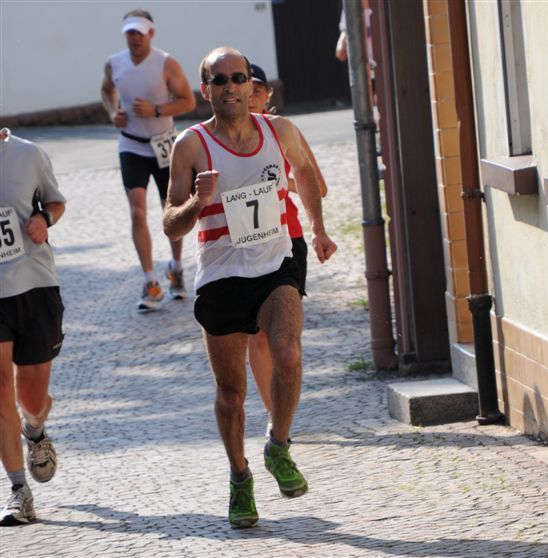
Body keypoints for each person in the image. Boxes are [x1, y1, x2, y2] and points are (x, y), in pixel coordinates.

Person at [163, 47, 337, 528]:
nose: (231, 87)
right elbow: (170, 225)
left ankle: (278, 446)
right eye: (219, 81)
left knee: (287, 353)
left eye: (238, 77)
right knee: (231, 392)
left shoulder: (279, 132)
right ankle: (239, 475)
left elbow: (306, 174)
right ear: (206, 91)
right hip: (220, 277)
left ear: (250, 85)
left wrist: (317, 230)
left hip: (274, 265)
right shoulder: (191, 146)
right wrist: (197, 203)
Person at [247, 64, 328, 435]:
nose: (250, 95)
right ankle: (274, 416)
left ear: (267, 95)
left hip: (287, 237)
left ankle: (281, 409)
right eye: (244, 86)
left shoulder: (284, 131)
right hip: (244, 242)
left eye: (257, 89)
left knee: (284, 335)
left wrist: (318, 231)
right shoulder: (217, 137)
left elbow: (318, 185)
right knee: (257, 334)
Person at [101, 9, 196, 311]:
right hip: (131, 145)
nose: (134, 38)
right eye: (129, 32)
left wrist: (156, 110)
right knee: (137, 212)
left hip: (164, 145)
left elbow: (188, 101)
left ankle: (177, 269)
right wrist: (112, 111)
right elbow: (106, 90)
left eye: (139, 33)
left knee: (173, 208)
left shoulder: (165, 63)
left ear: (151, 34)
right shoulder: (114, 63)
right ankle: (150, 280)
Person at [0, 128, 66, 526]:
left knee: (31, 396)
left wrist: (44, 217)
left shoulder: (27, 154)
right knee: (1, 388)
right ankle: (17, 490)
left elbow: (56, 201)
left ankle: (36, 429)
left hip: (35, 283)